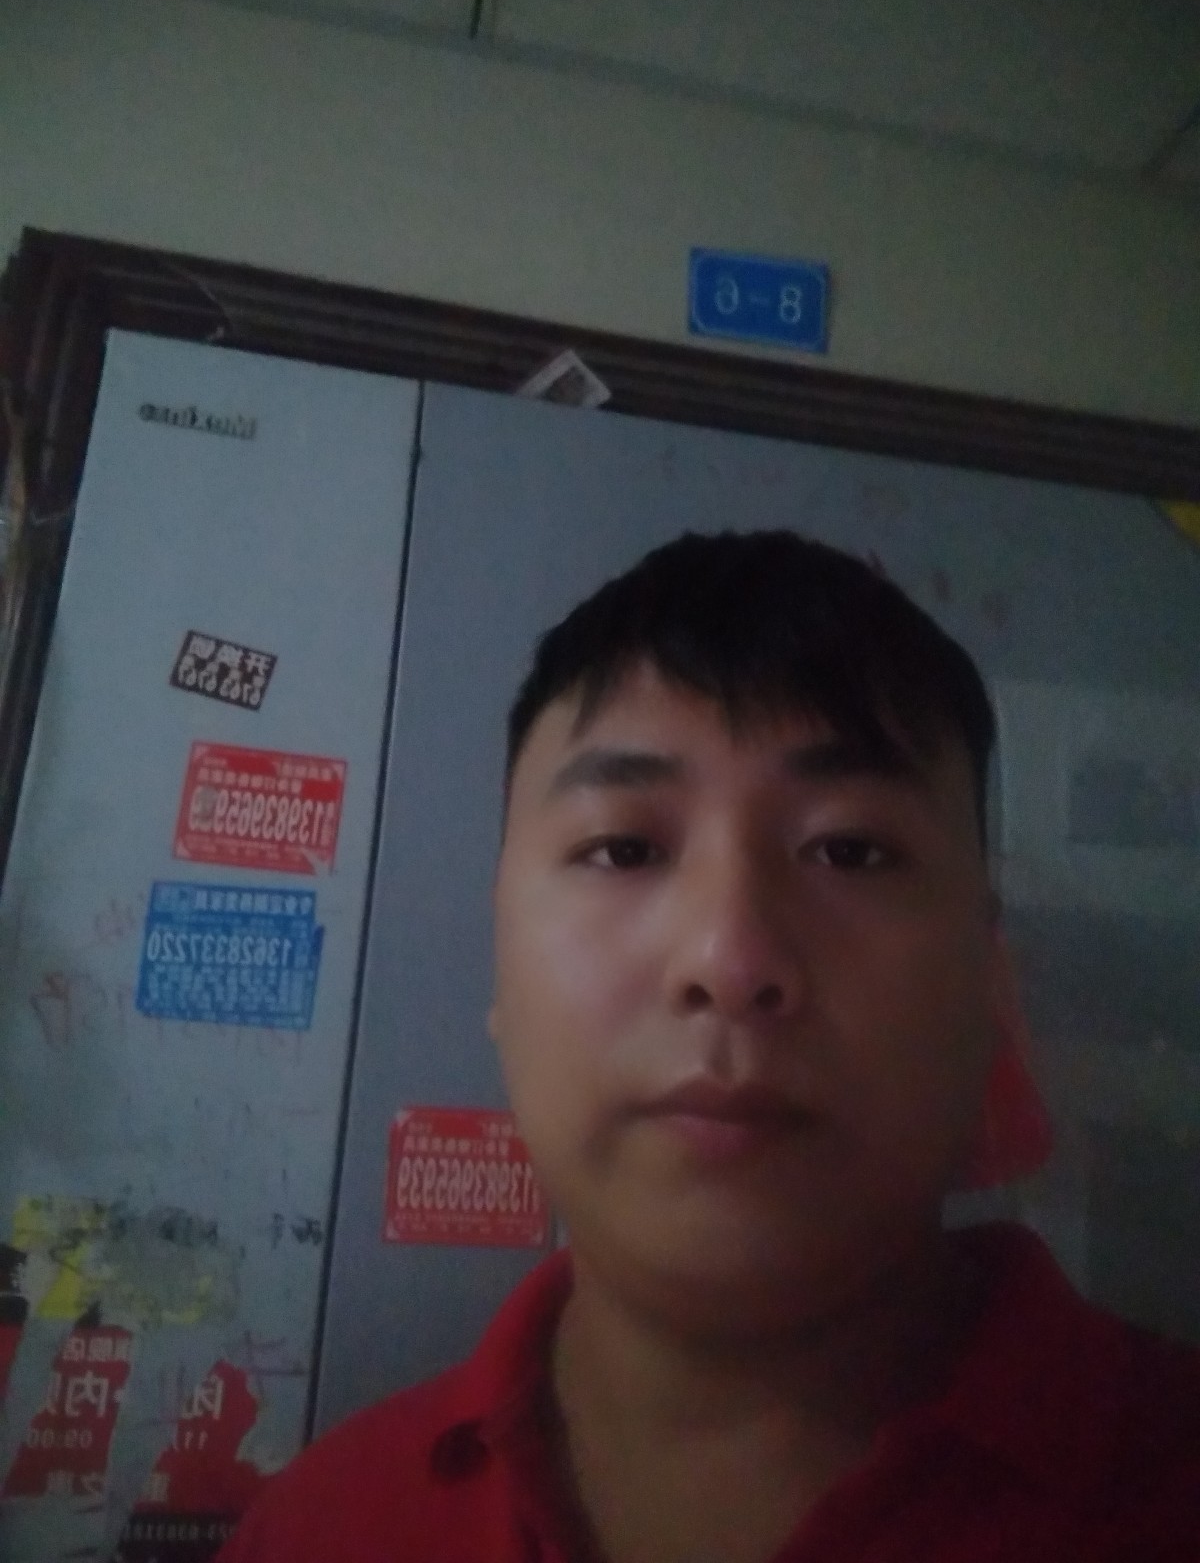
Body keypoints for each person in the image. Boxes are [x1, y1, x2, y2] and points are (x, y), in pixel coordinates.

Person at [218, 531, 1200, 1562]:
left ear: (992, 984)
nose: (729, 959)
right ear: (500, 971)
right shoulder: (318, 1532)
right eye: (624, 848)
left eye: (850, 849)